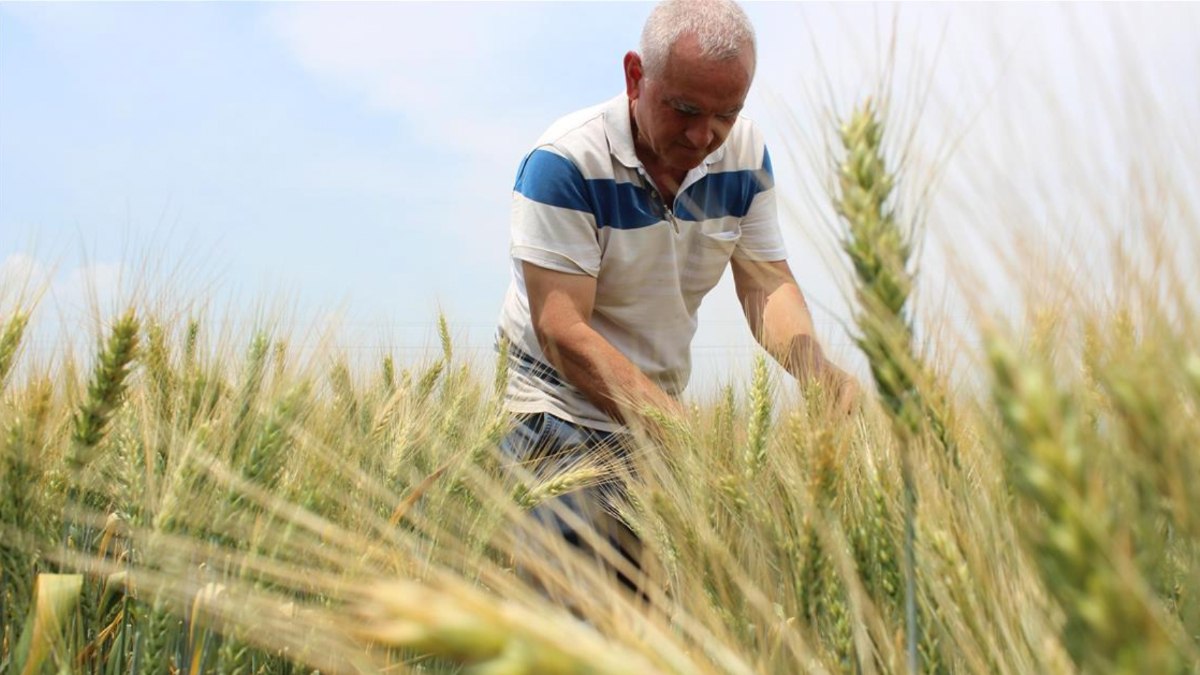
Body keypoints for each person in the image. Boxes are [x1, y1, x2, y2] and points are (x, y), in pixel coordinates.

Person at [495, 0, 858, 600]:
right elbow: (562, 331)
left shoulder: (744, 156)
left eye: (727, 113)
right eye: (684, 108)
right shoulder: (563, 164)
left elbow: (766, 282)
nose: (703, 136)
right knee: (572, 622)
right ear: (636, 76)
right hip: (558, 413)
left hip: (659, 416)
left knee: (658, 621)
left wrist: (815, 369)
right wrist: (682, 430)